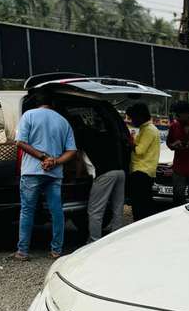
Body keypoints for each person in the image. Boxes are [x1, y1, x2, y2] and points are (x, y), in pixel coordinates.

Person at [15, 96, 76, 260]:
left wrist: (43, 157)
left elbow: (20, 142)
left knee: (27, 211)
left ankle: (22, 252)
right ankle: (56, 250)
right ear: (52, 104)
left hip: (31, 171)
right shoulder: (63, 121)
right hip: (54, 173)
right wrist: (54, 161)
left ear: (37, 103)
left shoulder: (28, 115)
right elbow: (72, 151)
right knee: (56, 211)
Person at [80, 120, 131, 243]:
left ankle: (94, 241)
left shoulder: (84, 138)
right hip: (120, 172)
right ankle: (116, 239)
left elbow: (79, 160)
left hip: (105, 174)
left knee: (95, 210)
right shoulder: (108, 135)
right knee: (118, 208)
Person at [127, 102, 160, 221]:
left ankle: (141, 225)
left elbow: (139, 150)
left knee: (140, 205)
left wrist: (130, 142)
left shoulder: (148, 130)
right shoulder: (145, 129)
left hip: (141, 171)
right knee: (143, 203)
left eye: (133, 118)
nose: (132, 121)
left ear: (140, 116)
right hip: (144, 171)